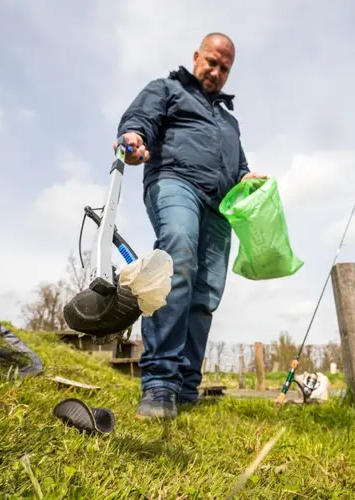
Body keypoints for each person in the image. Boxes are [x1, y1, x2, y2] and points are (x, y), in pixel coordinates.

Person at [114, 32, 266, 420]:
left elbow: (239, 165)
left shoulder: (230, 122)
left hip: (219, 206)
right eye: (211, 63)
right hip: (174, 182)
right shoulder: (167, 89)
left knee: (207, 291)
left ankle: (185, 384)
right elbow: (139, 120)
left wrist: (247, 178)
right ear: (197, 56)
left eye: (224, 69)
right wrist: (133, 138)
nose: (215, 72)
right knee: (177, 258)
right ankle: (159, 382)